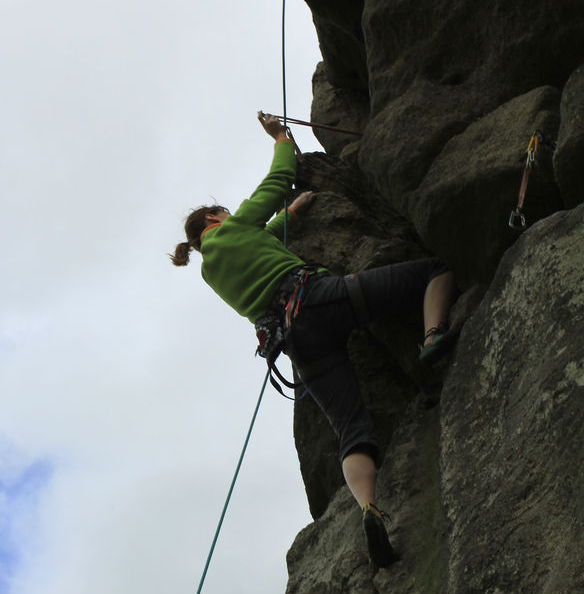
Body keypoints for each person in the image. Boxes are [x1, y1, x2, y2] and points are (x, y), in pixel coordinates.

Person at [171, 112, 458, 567]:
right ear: (214, 218)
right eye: (223, 211)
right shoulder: (232, 227)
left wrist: (292, 215)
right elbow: (277, 180)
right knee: (431, 271)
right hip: (321, 299)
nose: (228, 213)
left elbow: (262, 238)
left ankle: (369, 507)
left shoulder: (212, 270)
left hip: (295, 341)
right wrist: (282, 138)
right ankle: (432, 336)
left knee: (350, 428)